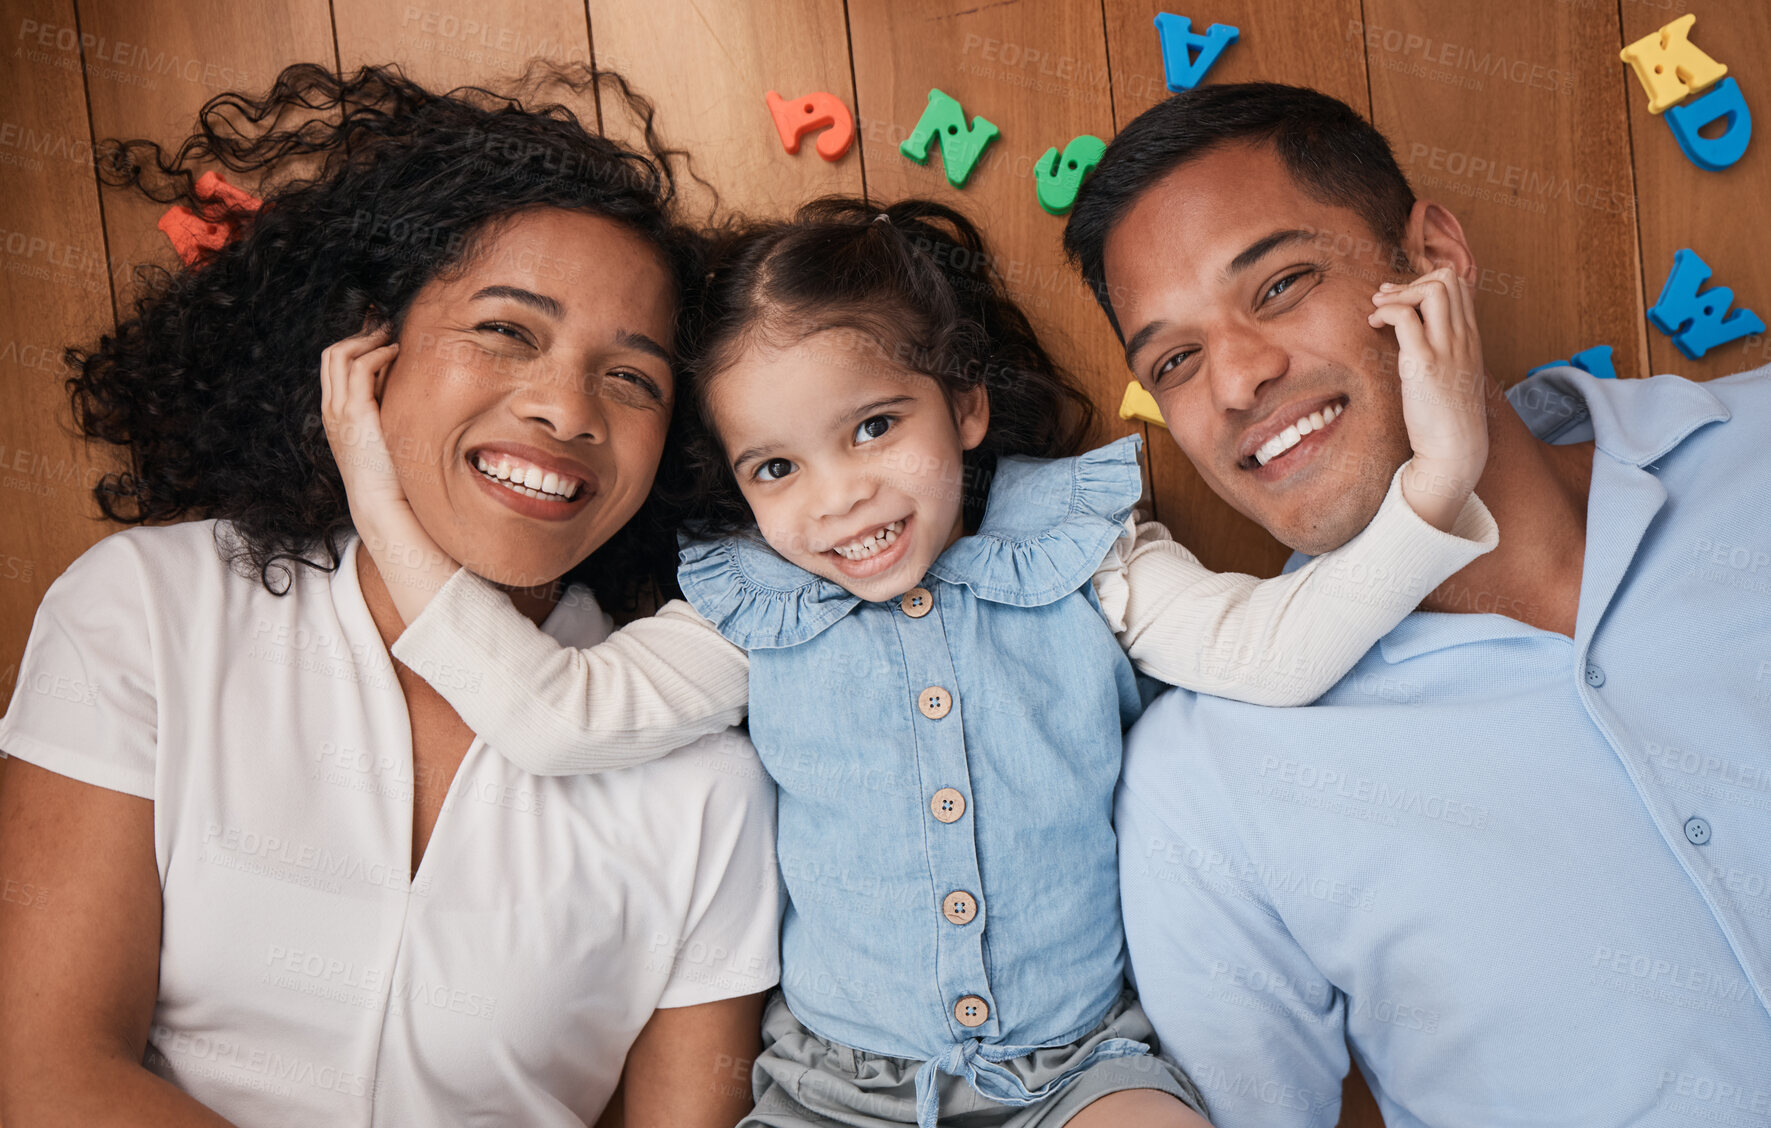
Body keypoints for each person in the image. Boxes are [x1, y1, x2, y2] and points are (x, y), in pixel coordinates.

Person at [321, 195, 1498, 1127]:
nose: (841, 501)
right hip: (840, 1092)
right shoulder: (753, 609)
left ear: (966, 410)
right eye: (774, 469)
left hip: (1079, 1072)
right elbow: (556, 720)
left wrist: (1432, 487)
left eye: (874, 427)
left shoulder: (1080, 555)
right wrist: (377, 494)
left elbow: (1270, 650)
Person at [0, 63, 780, 1127]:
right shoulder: (146, 613)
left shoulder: (708, 786)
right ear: (369, 351)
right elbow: (47, 1075)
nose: (565, 408)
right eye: (506, 330)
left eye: (633, 377)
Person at [1063, 82, 1771, 1126]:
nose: (1236, 381)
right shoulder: (1206, 784)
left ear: (1434, 255)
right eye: (1175, 360)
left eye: (1278, 285)